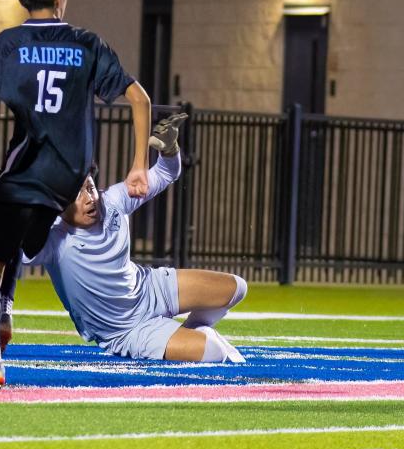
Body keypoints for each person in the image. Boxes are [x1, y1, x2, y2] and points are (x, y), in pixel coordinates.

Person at [0, 0, 152, 392]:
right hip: (69, 184)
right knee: (19, 235)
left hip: (26, 174)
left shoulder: (9, 44)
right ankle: (10, 305)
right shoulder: (86, 44)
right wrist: (137, 166)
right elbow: (140, 99)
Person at [18, 113, 248, 363]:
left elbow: (165, 174)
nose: (90, 198)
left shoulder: (114, 200)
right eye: (78, 193)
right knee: (213, 352)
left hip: (149, 289)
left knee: (236, 288)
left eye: (90, 186)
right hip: (126, 331)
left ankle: (185, 333)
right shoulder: (54, 239)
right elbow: (17, 251)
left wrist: (169, 150)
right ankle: (186, 337)